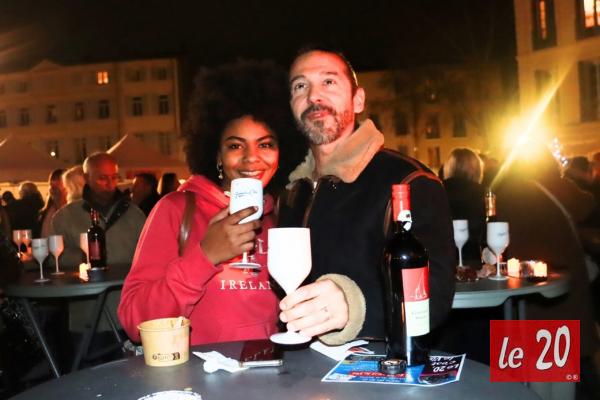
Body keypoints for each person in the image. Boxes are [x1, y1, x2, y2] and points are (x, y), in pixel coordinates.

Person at [118, 60, 305, 346]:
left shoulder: (279, 217)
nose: (251, 157)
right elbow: (135, 322)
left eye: (265, 144)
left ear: (281, 154)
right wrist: (205, 256)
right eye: (235, 145)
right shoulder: (176, 209)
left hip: (271, 369)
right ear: (216, 155)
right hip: (199, 372)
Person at [277, 47, 455, 345]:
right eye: (300, 86)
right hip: (301, 365)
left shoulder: (408, 181)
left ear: (358, 100)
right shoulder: (293, 192)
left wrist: (353, 306)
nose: (313, 96)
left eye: (329, 82)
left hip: (380, 364)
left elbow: (432, 296)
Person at [50, 152, 146, 267]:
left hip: (127, 278)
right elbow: (54, 258)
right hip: (85, 278)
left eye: (114, 177)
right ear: (87, 178)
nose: (110, 184)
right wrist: (85, 256)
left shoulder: (134, 214)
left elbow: (150, 252)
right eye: (102, 178)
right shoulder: (66, 217)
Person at [442, 148, 486, 266]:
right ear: (477, 169)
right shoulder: (482, 193)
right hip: (474, 259)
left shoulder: (438, 190)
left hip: (444, 260)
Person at [38, 169, 66, 237]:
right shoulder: (45, 212)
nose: (52, 189)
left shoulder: (71, 211)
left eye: (57, 186)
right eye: (51, 185)